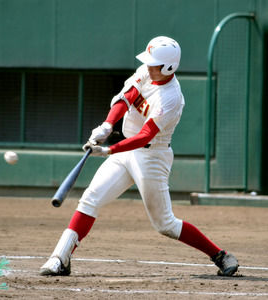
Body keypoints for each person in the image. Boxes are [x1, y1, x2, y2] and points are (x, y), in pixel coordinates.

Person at [40, 36, 239, 277]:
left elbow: (145, 136)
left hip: (151, 158)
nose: (148, 66)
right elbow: (127, 96)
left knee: (165, 224)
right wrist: (107, 125)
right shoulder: (147, 71)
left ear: (168, 67)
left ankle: (219, 255)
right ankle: (59, 258)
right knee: (90, 199)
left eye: (154, 63)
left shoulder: (171, 98)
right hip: (126, 151)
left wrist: (108, 150)